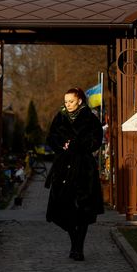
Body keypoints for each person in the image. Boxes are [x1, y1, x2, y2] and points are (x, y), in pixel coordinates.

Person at [44, 87, 104, 261]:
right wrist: (61, 144)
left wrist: (79, 144)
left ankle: (78, 247)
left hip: (84, 168)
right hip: (63, 167)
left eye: (71, 101)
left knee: (83, 209)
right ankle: (75, 243)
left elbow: (96, 139)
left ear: (79, 101)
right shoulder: (60, 117)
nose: (68, 104)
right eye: (66, 101)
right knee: (63, 207)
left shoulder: (90, 118)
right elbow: (51, 137)